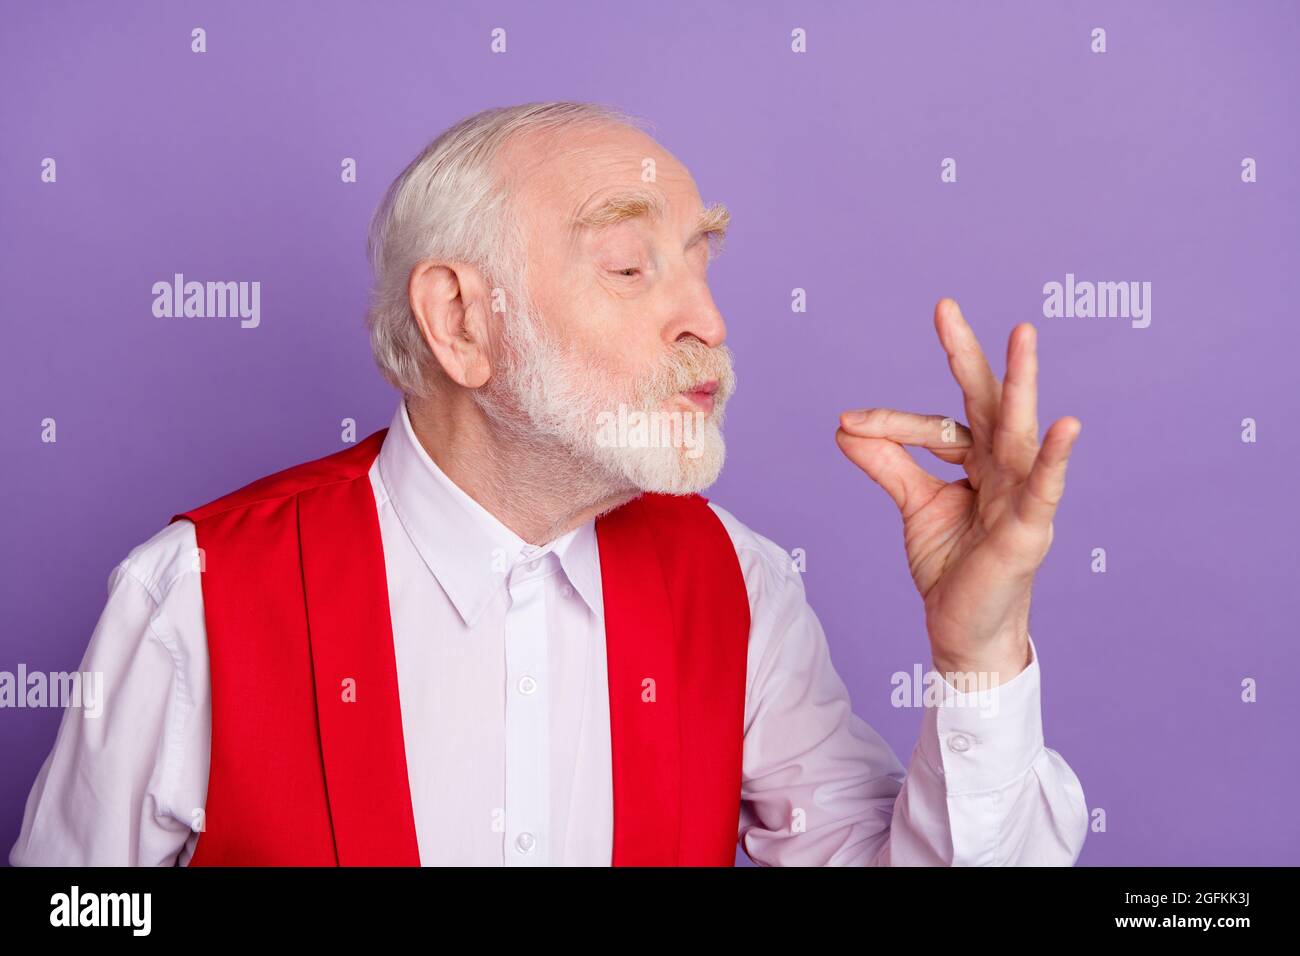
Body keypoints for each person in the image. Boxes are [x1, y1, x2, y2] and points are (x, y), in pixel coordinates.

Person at [10, 101, 1086, 866]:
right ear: (461, 321)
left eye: (701, 263)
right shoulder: (193, 594)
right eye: (630, 267)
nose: (706, 323)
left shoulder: (740, 586)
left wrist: (979, 652)